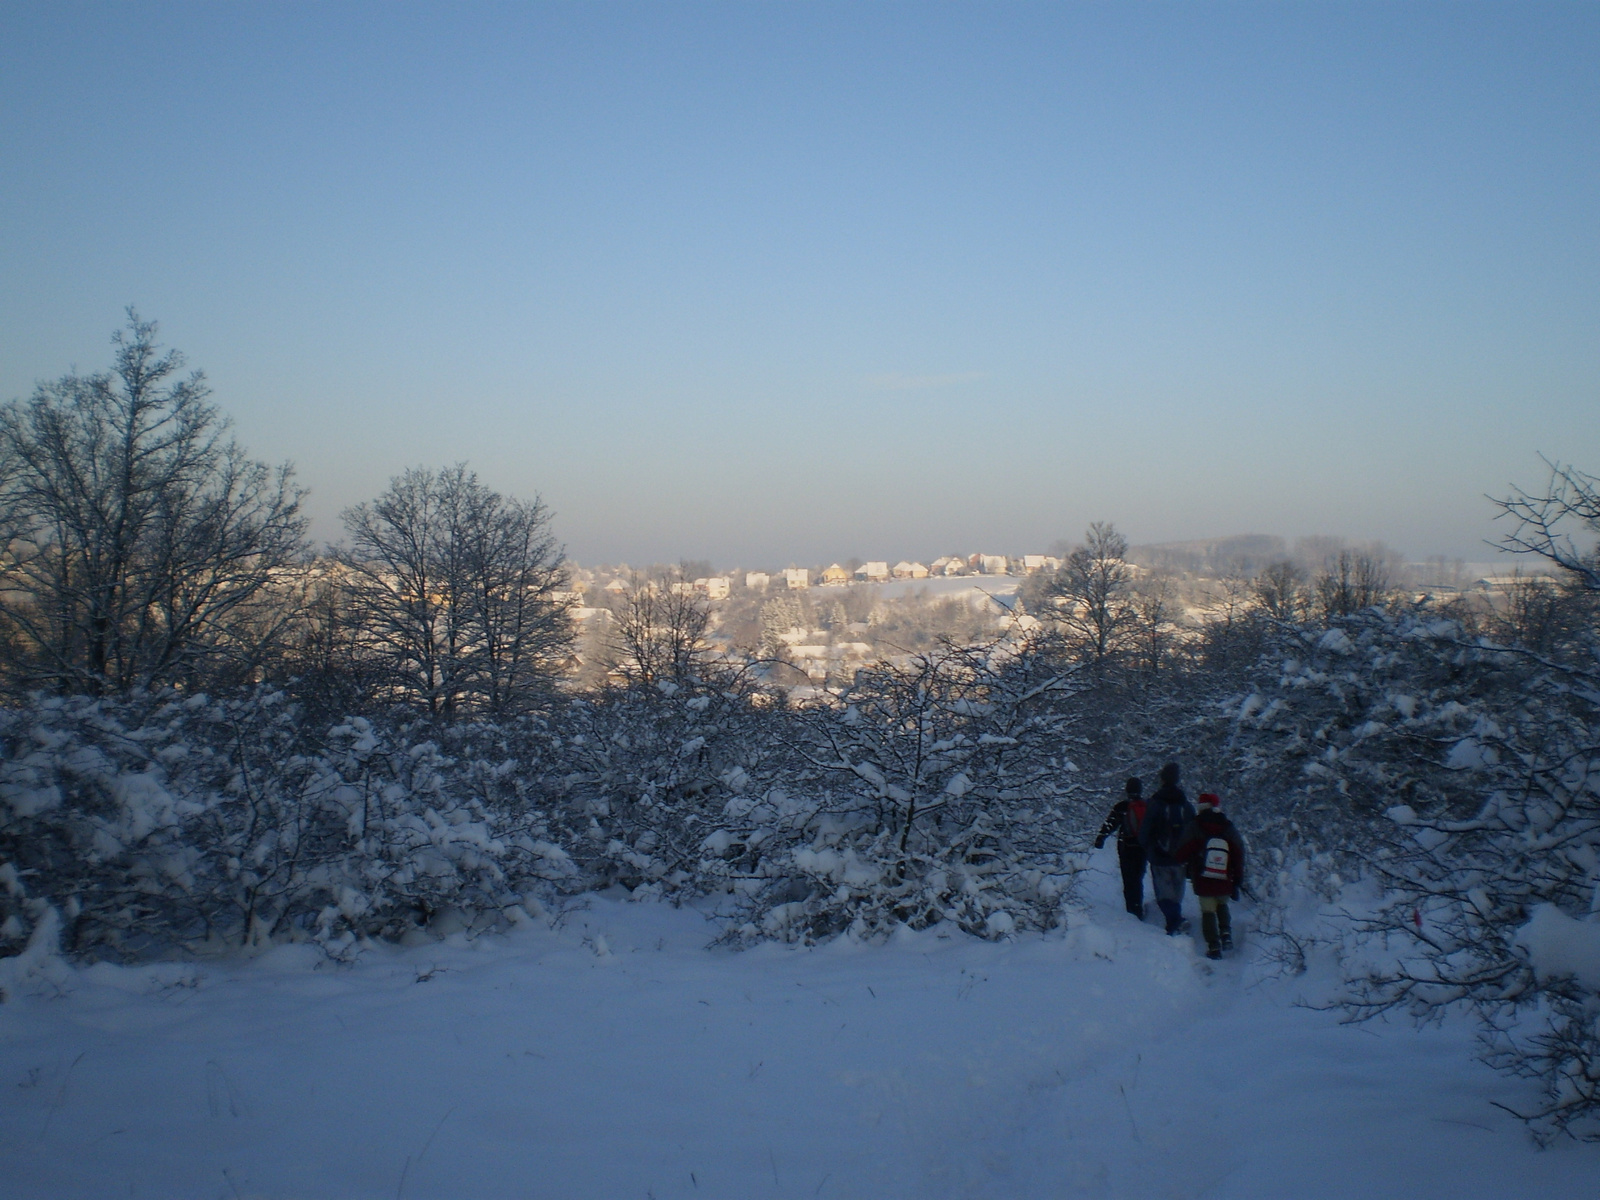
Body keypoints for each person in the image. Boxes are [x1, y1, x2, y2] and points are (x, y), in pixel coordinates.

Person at [1175, 792, 1246, 960]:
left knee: (1208, 911)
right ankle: (1226, 934)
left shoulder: (1195, 825)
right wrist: (1238, 880)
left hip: (1203, 876)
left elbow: (1181, 852)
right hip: (1224, 875)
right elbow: (1239, 853)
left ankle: (1214, 947)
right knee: (1222, 904)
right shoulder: (1228, 826)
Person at [1138, 761, 1196, 935]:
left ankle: (1175, 921)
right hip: (1180, 857)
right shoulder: (1185, 805)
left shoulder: (1155, 803)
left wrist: (1147, 848)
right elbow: (1193, 829)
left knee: (1163, 892)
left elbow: (1145, 830)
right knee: (1176, 892)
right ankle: (1175, 920)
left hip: (1159, 855)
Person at [1093, 777, 1147, 917]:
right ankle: (1138, 908)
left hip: (1126, 848)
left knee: (1128, 879)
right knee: (1138, 878)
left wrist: (1100, 839)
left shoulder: (1121, 807)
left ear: (1127, 790)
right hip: (1142, 849)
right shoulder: (1147, 806)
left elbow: (1110, 825)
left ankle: (1132, 911)